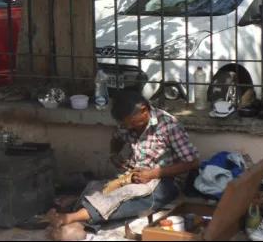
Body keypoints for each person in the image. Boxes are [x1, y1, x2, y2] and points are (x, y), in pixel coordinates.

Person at [47, 90, 200, 233]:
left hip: (165, 181)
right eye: (126, 124)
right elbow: (116, 139)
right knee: (97, 187)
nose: (129, 127)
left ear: (144, 110)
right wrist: (114, 154)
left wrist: (153, 173)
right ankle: (79, 212)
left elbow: (192, 162)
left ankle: (71, 218)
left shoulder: (169, 126)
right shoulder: (127, 123)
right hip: (134, 175)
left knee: (127, 197)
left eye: (133, 123)